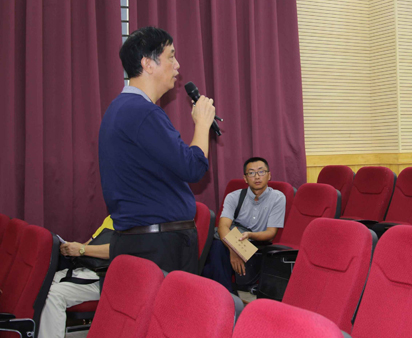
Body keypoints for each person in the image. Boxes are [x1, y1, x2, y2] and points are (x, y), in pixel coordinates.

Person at [99, 26, 216, 274]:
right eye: (171, 56)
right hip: (157, 247)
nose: (177, 65)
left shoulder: (118, 109)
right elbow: (193, 167)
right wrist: (202, 124)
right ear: (148, 64)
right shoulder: (143, 112)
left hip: (138, 242)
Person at [202, 157, 285, 293]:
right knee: (216, 246)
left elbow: (271, 233)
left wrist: (250, 235)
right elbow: (223, 227)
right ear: (245, 178)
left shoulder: (278, 198)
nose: (257, 177)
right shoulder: (233, 197)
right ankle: (226, 293)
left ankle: (221, 293)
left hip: (256, 242)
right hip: (233, 240)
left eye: (261, 172)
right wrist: (234, 249)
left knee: (215, 253)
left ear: (269, 175)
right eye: (251, 173)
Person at [35, 216, 113, 338]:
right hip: (86, 269)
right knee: (37, 283)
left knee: (52, 294)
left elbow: (118, 249)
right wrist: (71, 248)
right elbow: (90, 245)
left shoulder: (137, 220)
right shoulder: (111, 218)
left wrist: (82, 250)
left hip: (105, 277)